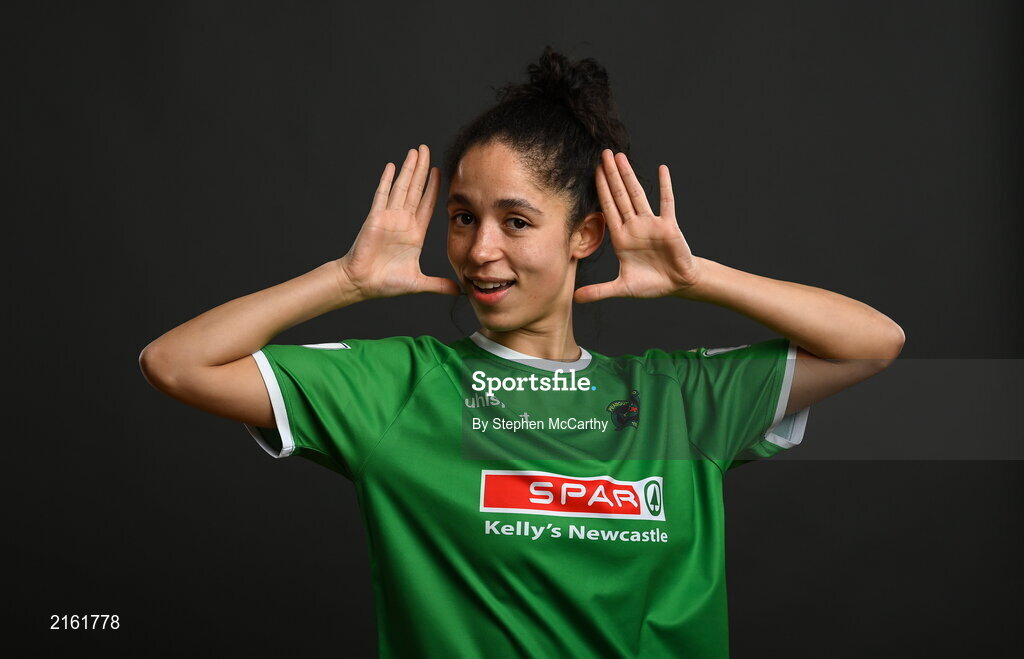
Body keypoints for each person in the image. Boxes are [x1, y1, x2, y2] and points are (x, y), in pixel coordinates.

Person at [139, 46, 904, 658]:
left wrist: (697, 278)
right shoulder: (398, 387)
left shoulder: (680, 399)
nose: (480, 249)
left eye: (516, 220)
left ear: (585, 236)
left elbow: (873, 343)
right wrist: (344, 281)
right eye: (464, 217)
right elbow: (175, 362)